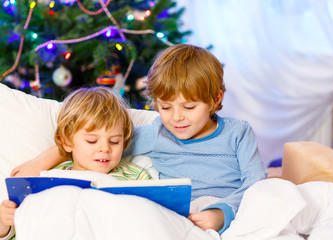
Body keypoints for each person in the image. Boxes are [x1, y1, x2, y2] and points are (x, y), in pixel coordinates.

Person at [11, 44, 267, 234]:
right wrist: (41, 160)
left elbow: (256, 184)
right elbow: (103, 144)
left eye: (189, 107)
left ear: (216, 99)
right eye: (165, 108)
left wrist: (221, 214)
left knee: (281, 192)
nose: (176, 118)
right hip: (186, 215)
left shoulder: (238, 132)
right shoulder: (155, 134)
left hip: (234, 209)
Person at [0, 86, 151, 239]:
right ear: (66, 142)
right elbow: (29, 226)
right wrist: (4, 224)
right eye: (92, 141)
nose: (105, 148)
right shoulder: (49, 177)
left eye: (114, 141)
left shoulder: (135, 175)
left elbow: (152, 219)